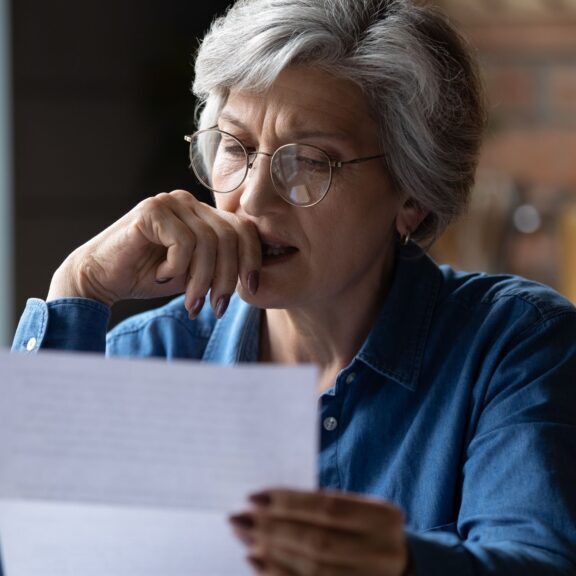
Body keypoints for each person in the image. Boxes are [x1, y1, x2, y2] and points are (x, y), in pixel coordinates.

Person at [11, 0, 576, 574]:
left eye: (308, 161)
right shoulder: (149, 358)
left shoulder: (514, 345)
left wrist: (402, 564)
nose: (253, 199)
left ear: (412, 193)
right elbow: (30, 554)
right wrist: (76, 288)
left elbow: (537, 562)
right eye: (235, 147)